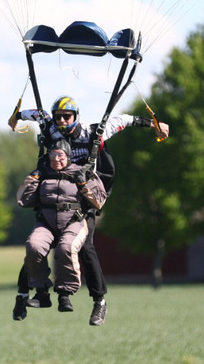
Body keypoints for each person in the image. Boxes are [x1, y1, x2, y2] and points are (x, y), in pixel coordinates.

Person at [9, 95, 170, 326]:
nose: (62, 121)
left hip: (83, 200)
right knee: (36, 247)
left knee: (86, 248)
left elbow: (122, 120)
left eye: (67, 116)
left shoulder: (93, 132)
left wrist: (153, 124)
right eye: (59, 117)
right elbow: (34, 114)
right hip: (52, 196)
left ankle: (99, 302)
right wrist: (15, 117)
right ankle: (24, 295)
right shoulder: (49, 126)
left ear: (76, 116)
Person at [16, 138, 107, 321]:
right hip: (46, 222)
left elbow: (98, 201)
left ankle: (65, 294)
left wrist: (84, 185)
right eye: (53, 155)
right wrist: (32, 180)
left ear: (69, 157)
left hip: (73, 221)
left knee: (65, 248)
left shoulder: (83, 173)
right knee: (33, 245)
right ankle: (41, 292)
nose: (56, 159)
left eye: (60, 155)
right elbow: (23, 200)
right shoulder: (42, 173)